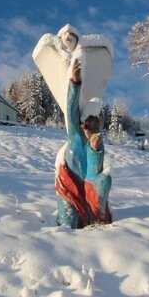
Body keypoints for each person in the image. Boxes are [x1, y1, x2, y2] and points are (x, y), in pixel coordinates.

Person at [55, 58, 112, 228]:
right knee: (68, 223)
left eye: (95, 124)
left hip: (86, 189)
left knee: (104, 181)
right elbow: (71, 109)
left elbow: (93, 175)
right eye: (88, 123)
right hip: (69, 187)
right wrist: (75, 82)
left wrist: (94, 150)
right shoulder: (75, 135)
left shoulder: (97, 142)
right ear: (82, 123)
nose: (91, 128)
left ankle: (96, 217)